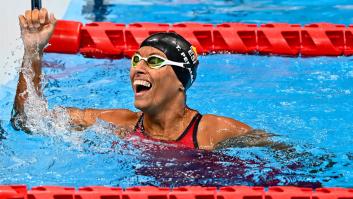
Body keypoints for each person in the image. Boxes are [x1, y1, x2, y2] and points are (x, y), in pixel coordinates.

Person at [13, 8, 265, 151]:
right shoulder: (117, 124)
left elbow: (292, 158)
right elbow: (28, 121)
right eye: (135, 60)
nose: (138, 68)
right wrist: (33, 51)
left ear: (181, 81)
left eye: (154, 61)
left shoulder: (213, 131)